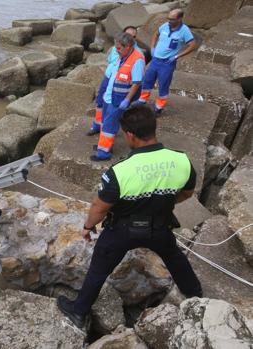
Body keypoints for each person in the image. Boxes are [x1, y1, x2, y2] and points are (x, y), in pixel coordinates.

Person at [57, 105, 203, 329]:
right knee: (174, 256)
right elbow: (187, 192)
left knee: (99, 268)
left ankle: (79, 311)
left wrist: (88, 226)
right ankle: (195, 294)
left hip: (121, 231)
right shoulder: (181, 160)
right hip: (160, 228)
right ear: (154, 128)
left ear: (131, 135)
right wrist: (165, 203)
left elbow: (100, 206)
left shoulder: (120, 171)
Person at [92, 32, 145, 162]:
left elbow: (137, 83)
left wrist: (127, 99)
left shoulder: (137, 59)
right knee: (105, 123)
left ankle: (103, 153)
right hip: (110, 96)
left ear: (128, 46)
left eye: (119, 48)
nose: (117, 50)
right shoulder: (123, 56)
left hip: (118, 99)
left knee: (109, 126)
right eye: (116, 47)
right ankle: (104, 146)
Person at [137, 9, 196, 114]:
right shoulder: (165, 25)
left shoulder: (185, 30)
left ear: (180, 19)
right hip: (155, 60)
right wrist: (152, 47)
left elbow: (192, 45)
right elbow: (156, 34)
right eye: (168, 18)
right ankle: (142, 100)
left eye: (172, 19)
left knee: (163, 84)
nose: (169, 21)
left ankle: (159, 107)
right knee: (147, 80)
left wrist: (177, 56)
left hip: (167, 63)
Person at [88, 26, 143, 136]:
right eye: (127, 35)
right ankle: (97, 126)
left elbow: (137, 81)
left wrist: (128, 99)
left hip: (119, 89)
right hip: (109, 78)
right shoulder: (117, 48)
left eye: (133, 36)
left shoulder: (137, 56)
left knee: (111, 119)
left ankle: (106, 145)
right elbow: (110, 61)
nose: (130, 38)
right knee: (100, 102)